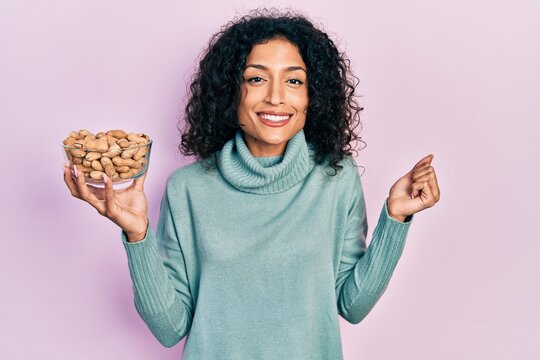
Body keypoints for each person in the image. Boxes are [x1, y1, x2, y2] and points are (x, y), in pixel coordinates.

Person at [62, 8, 440, 360]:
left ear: (313, 96)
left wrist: (396, 219)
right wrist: (136, 235)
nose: (276, 97)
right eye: (256, 78)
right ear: (230, 91)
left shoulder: (335, 178)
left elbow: (352, 306)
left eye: (294, 80)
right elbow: (169, 328)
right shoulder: (188, 188)